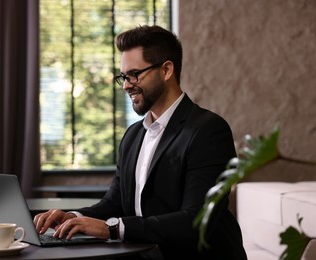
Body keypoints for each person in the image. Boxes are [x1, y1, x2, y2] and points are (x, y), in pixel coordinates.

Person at [34, 25, 247, 260]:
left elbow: (196, 219)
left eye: (134, 74)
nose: (126, 85)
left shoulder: (208, 130)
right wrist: (72, 217)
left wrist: (113, 229)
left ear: (166, 70)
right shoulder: (133, 135)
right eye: (123, 77)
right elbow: (113, 203)